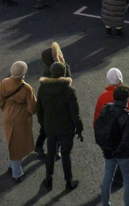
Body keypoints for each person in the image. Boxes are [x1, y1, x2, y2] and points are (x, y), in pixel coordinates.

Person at [37, 61, 83, 191]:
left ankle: (48, 179)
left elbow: (39, 108)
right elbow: (75, 114)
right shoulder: (69, 90)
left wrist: (43, 123)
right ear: (64, 73)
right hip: (66, 128)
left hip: (50, 127)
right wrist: (79, 129)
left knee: (50, 153)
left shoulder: (43, 88)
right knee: (66, 155)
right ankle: (69, 181)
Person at [0, 61, 37, 182]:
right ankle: (17, 173)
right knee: (18, 144)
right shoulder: (26, 88)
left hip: (8, 114)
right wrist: (27, 113)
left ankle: (12, 165)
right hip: (21, 117)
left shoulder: (4, 82)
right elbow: (32, 107)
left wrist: (6, 109)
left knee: (12, 140)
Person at [97, 85, 129, 206]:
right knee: (128, 181)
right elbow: (125, 138)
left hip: (108, 149)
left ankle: (105, 203)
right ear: (126, 99)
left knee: (107, 178)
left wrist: (108, 149)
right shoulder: (126, 116)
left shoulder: (107, 108)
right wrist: (119, 151)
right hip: (123, 153)